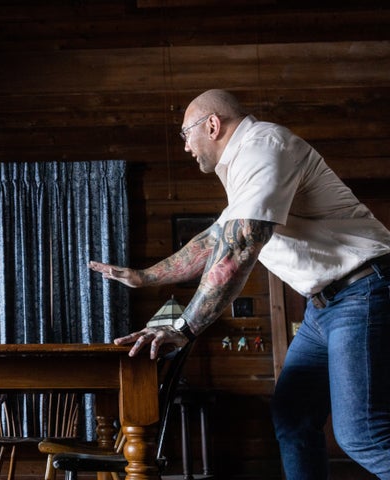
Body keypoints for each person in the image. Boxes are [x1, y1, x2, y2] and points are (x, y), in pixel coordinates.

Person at [89, 89, 390, 479]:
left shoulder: (264, 146)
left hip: (361, 290)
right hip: (324, 306)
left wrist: (184, 327)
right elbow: (214, 241)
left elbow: (241, 246)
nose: (184, 147)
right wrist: (144, 277)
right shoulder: (243, 165)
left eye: (185, 135)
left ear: (212, 125)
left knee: (362, 435)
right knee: (293, 417)